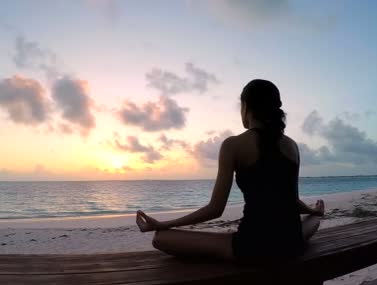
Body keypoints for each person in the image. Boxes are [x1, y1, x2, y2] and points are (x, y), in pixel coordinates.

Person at [136, 79, 324, 263]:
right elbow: (291, 200)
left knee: (161, 238)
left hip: (253, 246)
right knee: (313, 220)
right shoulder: (292, 146)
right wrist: (312, 211)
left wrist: (163, 224)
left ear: (246, 107)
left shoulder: (233, 145)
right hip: (292, 243)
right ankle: (316, 214)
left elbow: (215, 210)